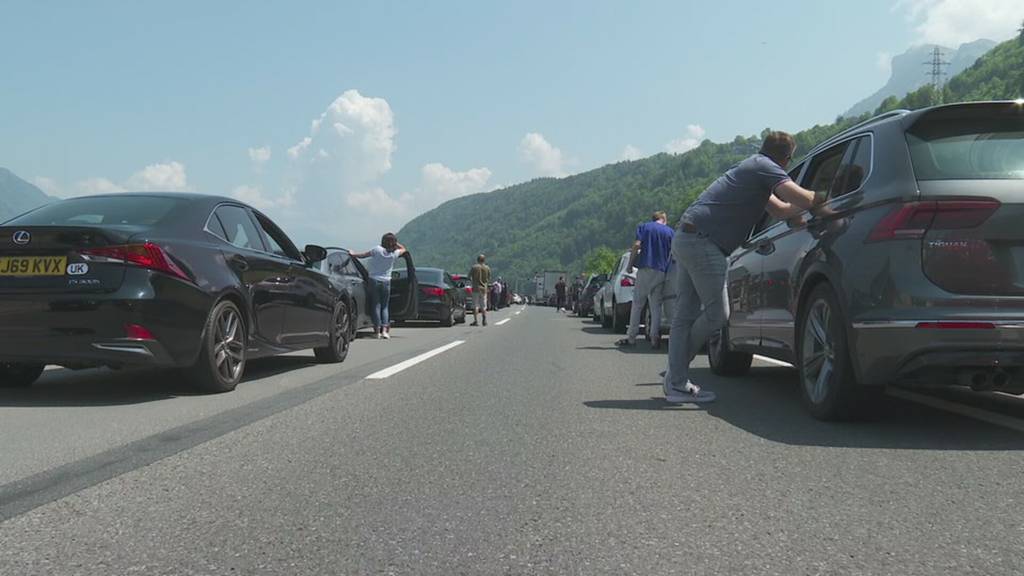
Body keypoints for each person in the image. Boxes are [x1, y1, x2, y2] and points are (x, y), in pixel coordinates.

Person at [664, 131, 822, 404]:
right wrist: (828, 198)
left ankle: (675, 382)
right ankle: (676, 375)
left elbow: (784, 211)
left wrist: (804, 219)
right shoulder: (764, 167)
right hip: (703, 242)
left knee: (684, 316)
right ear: (785, 158)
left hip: (688, 236)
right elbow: (803, 199)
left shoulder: (753, 170)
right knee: (717, 315)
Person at [617, 211, 674, 349]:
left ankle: (631, 337)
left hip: (645, 268)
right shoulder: (671, 232)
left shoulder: (644, 227)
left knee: (637, 304)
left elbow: (637, 245)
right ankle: (654, 337)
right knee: (656, 306)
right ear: (663, 219)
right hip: (661, 271)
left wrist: (630, 265)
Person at [351, 233, 407, 340]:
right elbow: (404, 248)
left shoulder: (377, 250)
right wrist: (395, 243)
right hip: (386, 282)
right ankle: (385, 331)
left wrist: (353, 254)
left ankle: (377, 331)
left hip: (374, 280)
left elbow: (363, 255)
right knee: (385, 306)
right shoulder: (394, 254)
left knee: (376, 305)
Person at [470, 254, 491, 326]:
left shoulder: (474, 267)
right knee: (483, 305)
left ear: (477, 260)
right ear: (484, 260)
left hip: (475, 288)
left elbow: (469, 276)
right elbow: (488, 278)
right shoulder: (487, 268)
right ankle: (484, 320)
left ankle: (476, 321)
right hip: (484, 289)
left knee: (475, 305)